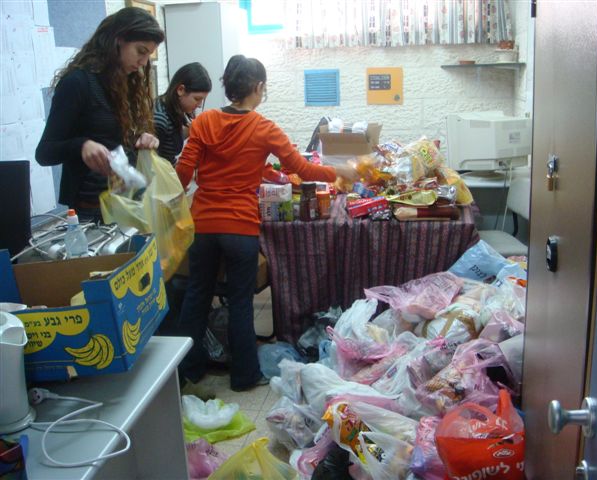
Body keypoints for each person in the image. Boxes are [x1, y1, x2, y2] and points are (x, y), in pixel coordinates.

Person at [175, 54, 359, 392]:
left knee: (196, 297)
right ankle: (244, 376)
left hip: (203, 225)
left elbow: (184, 173)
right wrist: (340, 171)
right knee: (241, 302)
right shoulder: (265, 128)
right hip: (240, 228)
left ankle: (188, 371)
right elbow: (303, 171)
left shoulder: (202, 123)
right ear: (258, 88)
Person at [35, 7, 165, 221]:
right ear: (118, 40)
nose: (143, 62)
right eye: (140, 51)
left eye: (148, 55)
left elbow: (116, 135)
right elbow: (45, 152)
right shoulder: (77, 83)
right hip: (91, 211)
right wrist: (82, 145)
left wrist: (142, 137)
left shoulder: (127, 83)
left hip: (128, 201)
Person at [154, 62, 212, 165]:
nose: (199, 105)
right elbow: (156, 165)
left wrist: (192, 129)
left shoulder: (171, 110)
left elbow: (167, 148)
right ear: (181, 90)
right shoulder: (160, 119)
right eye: (197, 99)